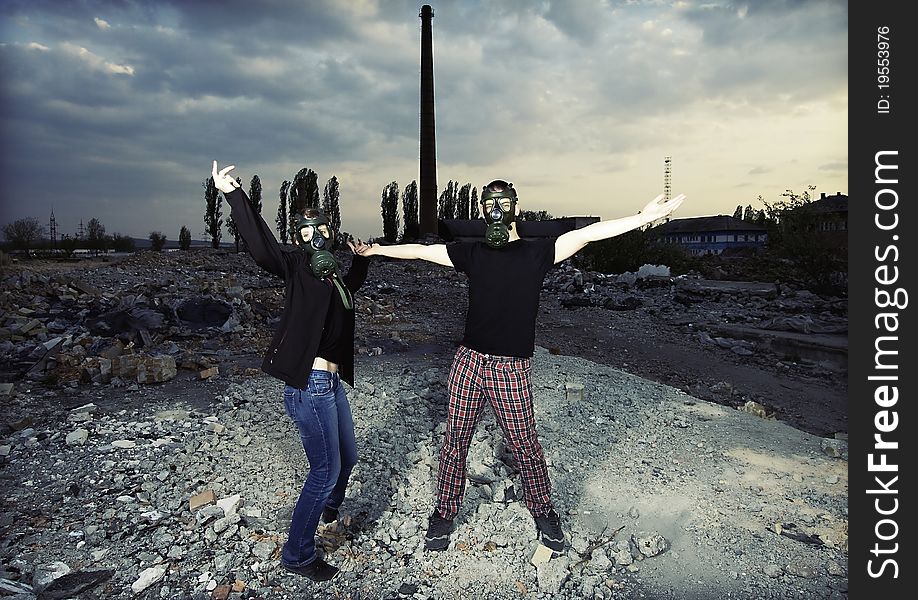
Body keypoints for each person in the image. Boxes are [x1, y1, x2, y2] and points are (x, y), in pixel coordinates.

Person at [358, 179, 685, 553]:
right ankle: (444, 515)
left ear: (515, 206)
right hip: (469, 361)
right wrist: (377, 250)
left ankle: (544, 511)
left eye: (502, 202)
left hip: (511, 368)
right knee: (455, 442)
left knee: (525, 446)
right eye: (488, 203)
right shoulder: (472, 253)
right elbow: (421, 251)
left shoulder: (538, 253)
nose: (495, 209)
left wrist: (643, 217)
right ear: (482, 210)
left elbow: (590, 233)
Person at [211, 160, 372, 581]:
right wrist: (233, 195)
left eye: (320, 231)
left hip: (331, 383)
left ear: (331, 232)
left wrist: (360, 261)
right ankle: (297, 555)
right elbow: (261, 245)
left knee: (347, 458)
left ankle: (327, 509)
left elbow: (348, 292)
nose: (314, 238)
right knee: (325, 470)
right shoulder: (297, 266)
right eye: (304, 234)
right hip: (311, 385)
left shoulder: (333, 275)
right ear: (299, 241)